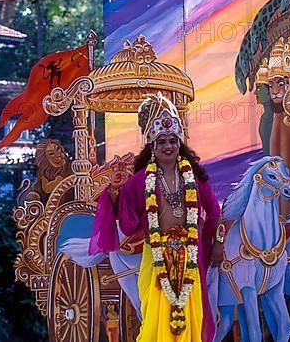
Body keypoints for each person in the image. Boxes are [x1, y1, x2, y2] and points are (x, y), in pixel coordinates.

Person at [89, 93, 223, 342]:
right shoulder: (141, 180)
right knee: (154, 319)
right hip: (156, 256)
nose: (168, 146)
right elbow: (127, 223)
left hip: (189, 255)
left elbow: (214, 211)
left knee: (191, 319)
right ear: (152, 145)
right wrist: (116, 192)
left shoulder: (192, 176)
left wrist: (217, 243)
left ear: (179, 143)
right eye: (161, 141)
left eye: (172, 140)